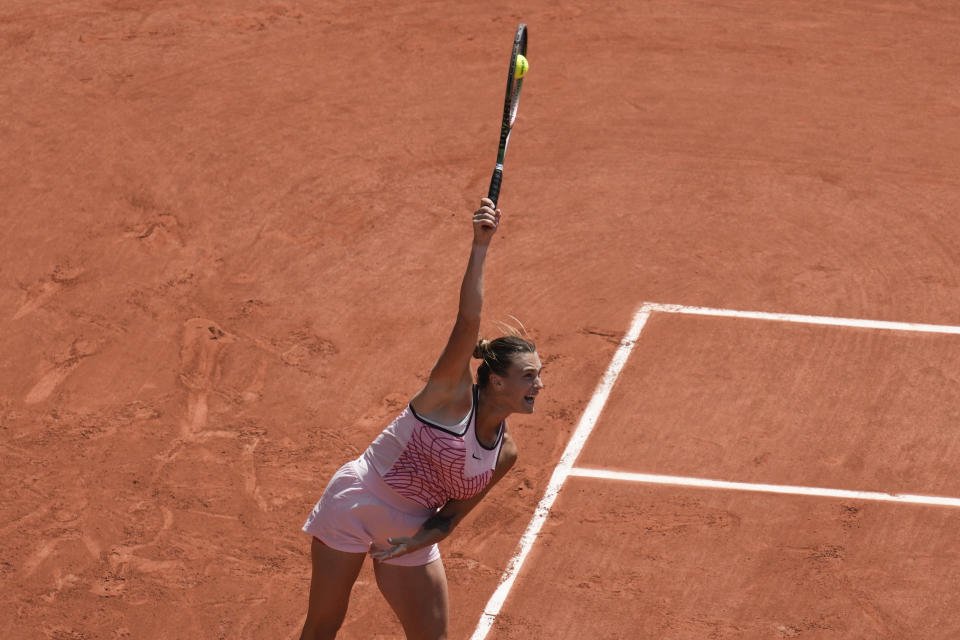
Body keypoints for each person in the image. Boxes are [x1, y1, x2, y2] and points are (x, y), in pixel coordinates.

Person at [299, 197, 545, 640]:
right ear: (495, 382)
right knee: (323, 626)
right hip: (356, 502)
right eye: (528, 376)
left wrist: (417, 541)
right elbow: (468, 320)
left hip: (412, 529)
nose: (538, 386)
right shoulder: (448, 397)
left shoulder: (504, 454)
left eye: (539, 377)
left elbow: (451, 517)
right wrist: (480, 246)